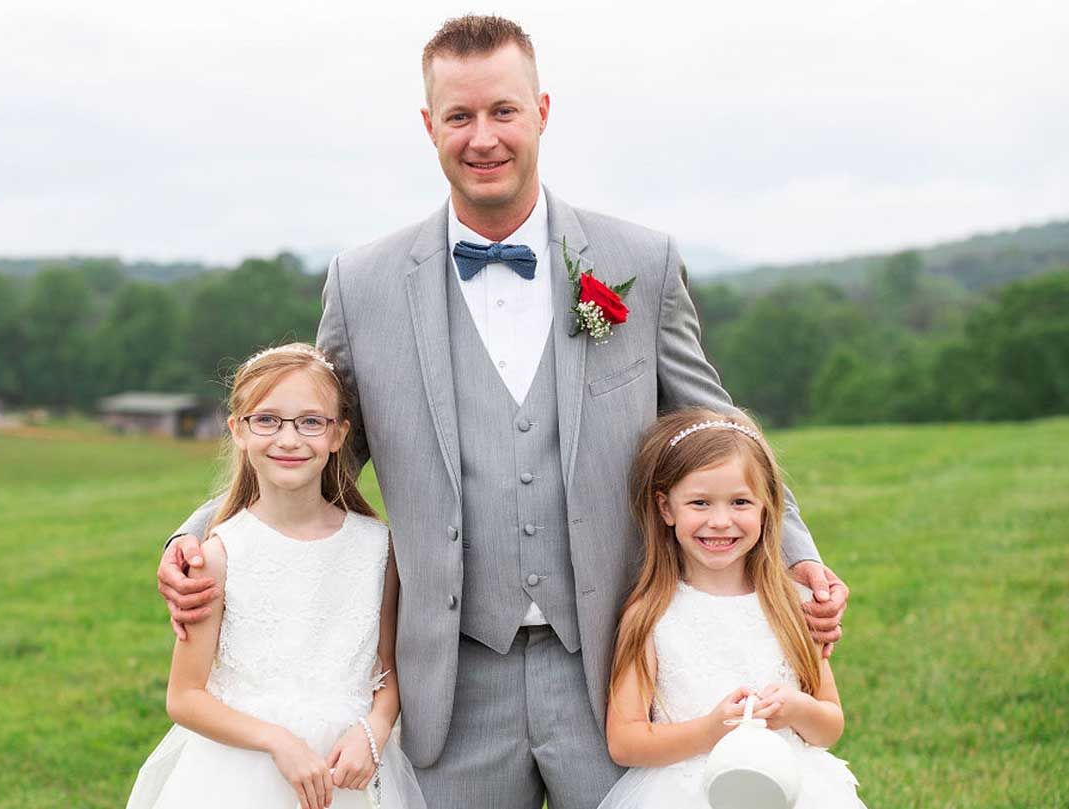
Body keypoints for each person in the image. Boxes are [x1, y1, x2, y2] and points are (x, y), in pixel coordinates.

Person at [157, 15, 849, 809]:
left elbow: (717, 428)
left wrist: (797, 553)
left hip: (615, 662)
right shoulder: (364, 282)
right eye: (458, 116)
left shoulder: (638, 262)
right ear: (429, 126)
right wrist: (199, 531)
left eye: (502, 111)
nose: (482, 137)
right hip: (450, 677)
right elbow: (315, 448)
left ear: (541, 112)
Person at [127, 344, 425, 809]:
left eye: (310, 422)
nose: (289, 440)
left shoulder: (377, 547)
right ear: (238, 431)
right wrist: (277, 742)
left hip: (348, 771)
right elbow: (184, 697)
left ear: (338, 435)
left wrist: (374, 730)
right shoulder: (220, 555)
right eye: (267, 420)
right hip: (241, 772)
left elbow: (387, 672)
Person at [600, 407, 866, 809]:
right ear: (666, 508)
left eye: (740, 502)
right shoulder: (652, 614)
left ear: (766, 507)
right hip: (684, 792)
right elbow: (625, 741)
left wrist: (796, 710)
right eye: (700, 503)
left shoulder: (793, 606)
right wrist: (709, 731)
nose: (721, 521)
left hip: (790, 788)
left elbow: (830, 726)